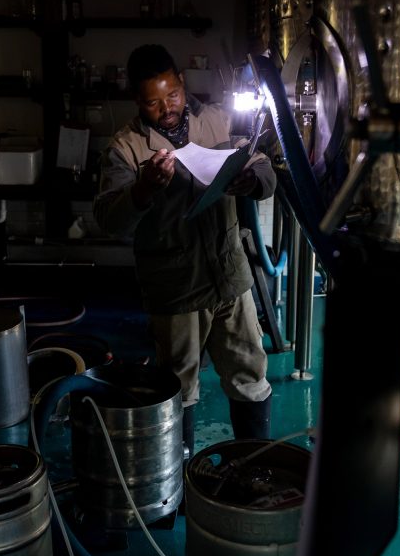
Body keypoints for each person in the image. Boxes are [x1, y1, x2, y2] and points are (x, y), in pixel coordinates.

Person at [93, 43, 276, 458]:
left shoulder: (218, 119)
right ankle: (177, 481)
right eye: (153, 103)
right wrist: (143, 190)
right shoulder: (125, 148)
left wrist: (252, 181)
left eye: (172, 95)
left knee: (250, 369)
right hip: (175, 286)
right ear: (137, 101)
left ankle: (254, 465)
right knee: (179, 385)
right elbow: (109, 219)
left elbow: (262, 163)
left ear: (182, 83)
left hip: (230, 274)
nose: (167, 108)